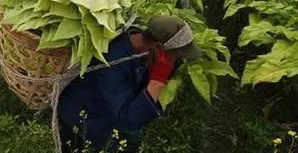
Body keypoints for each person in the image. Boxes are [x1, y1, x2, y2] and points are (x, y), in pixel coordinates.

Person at [58, 15, 202, 153]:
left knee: (132, 140)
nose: (176, 61)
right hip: (83, 122)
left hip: (108, 110)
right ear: (159, 48)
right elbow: (130, 120)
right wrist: (157, 80)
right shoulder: (112, 62)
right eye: (176, 56)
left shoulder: (138, 44)